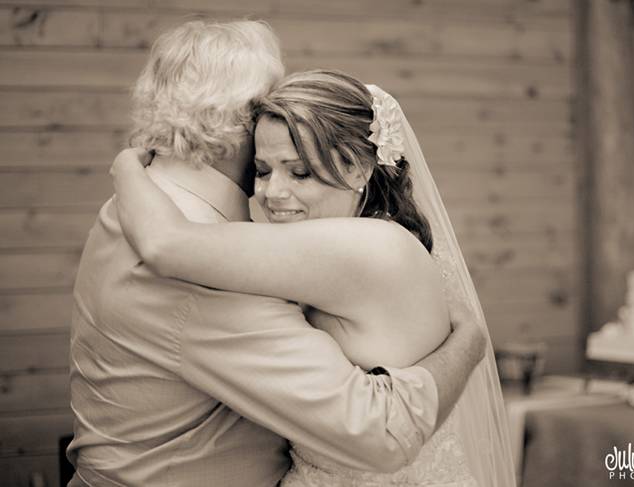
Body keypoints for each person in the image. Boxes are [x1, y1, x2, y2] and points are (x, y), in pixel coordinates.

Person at [67, 20, 490, 487]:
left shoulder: (134, 207)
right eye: (270, 101)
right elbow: (378, 431)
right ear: (242, 119)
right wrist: (467, 343)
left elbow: (169, 243)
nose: (280, 110)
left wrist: (127, 165)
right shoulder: (204, 248)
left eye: (300, 171)